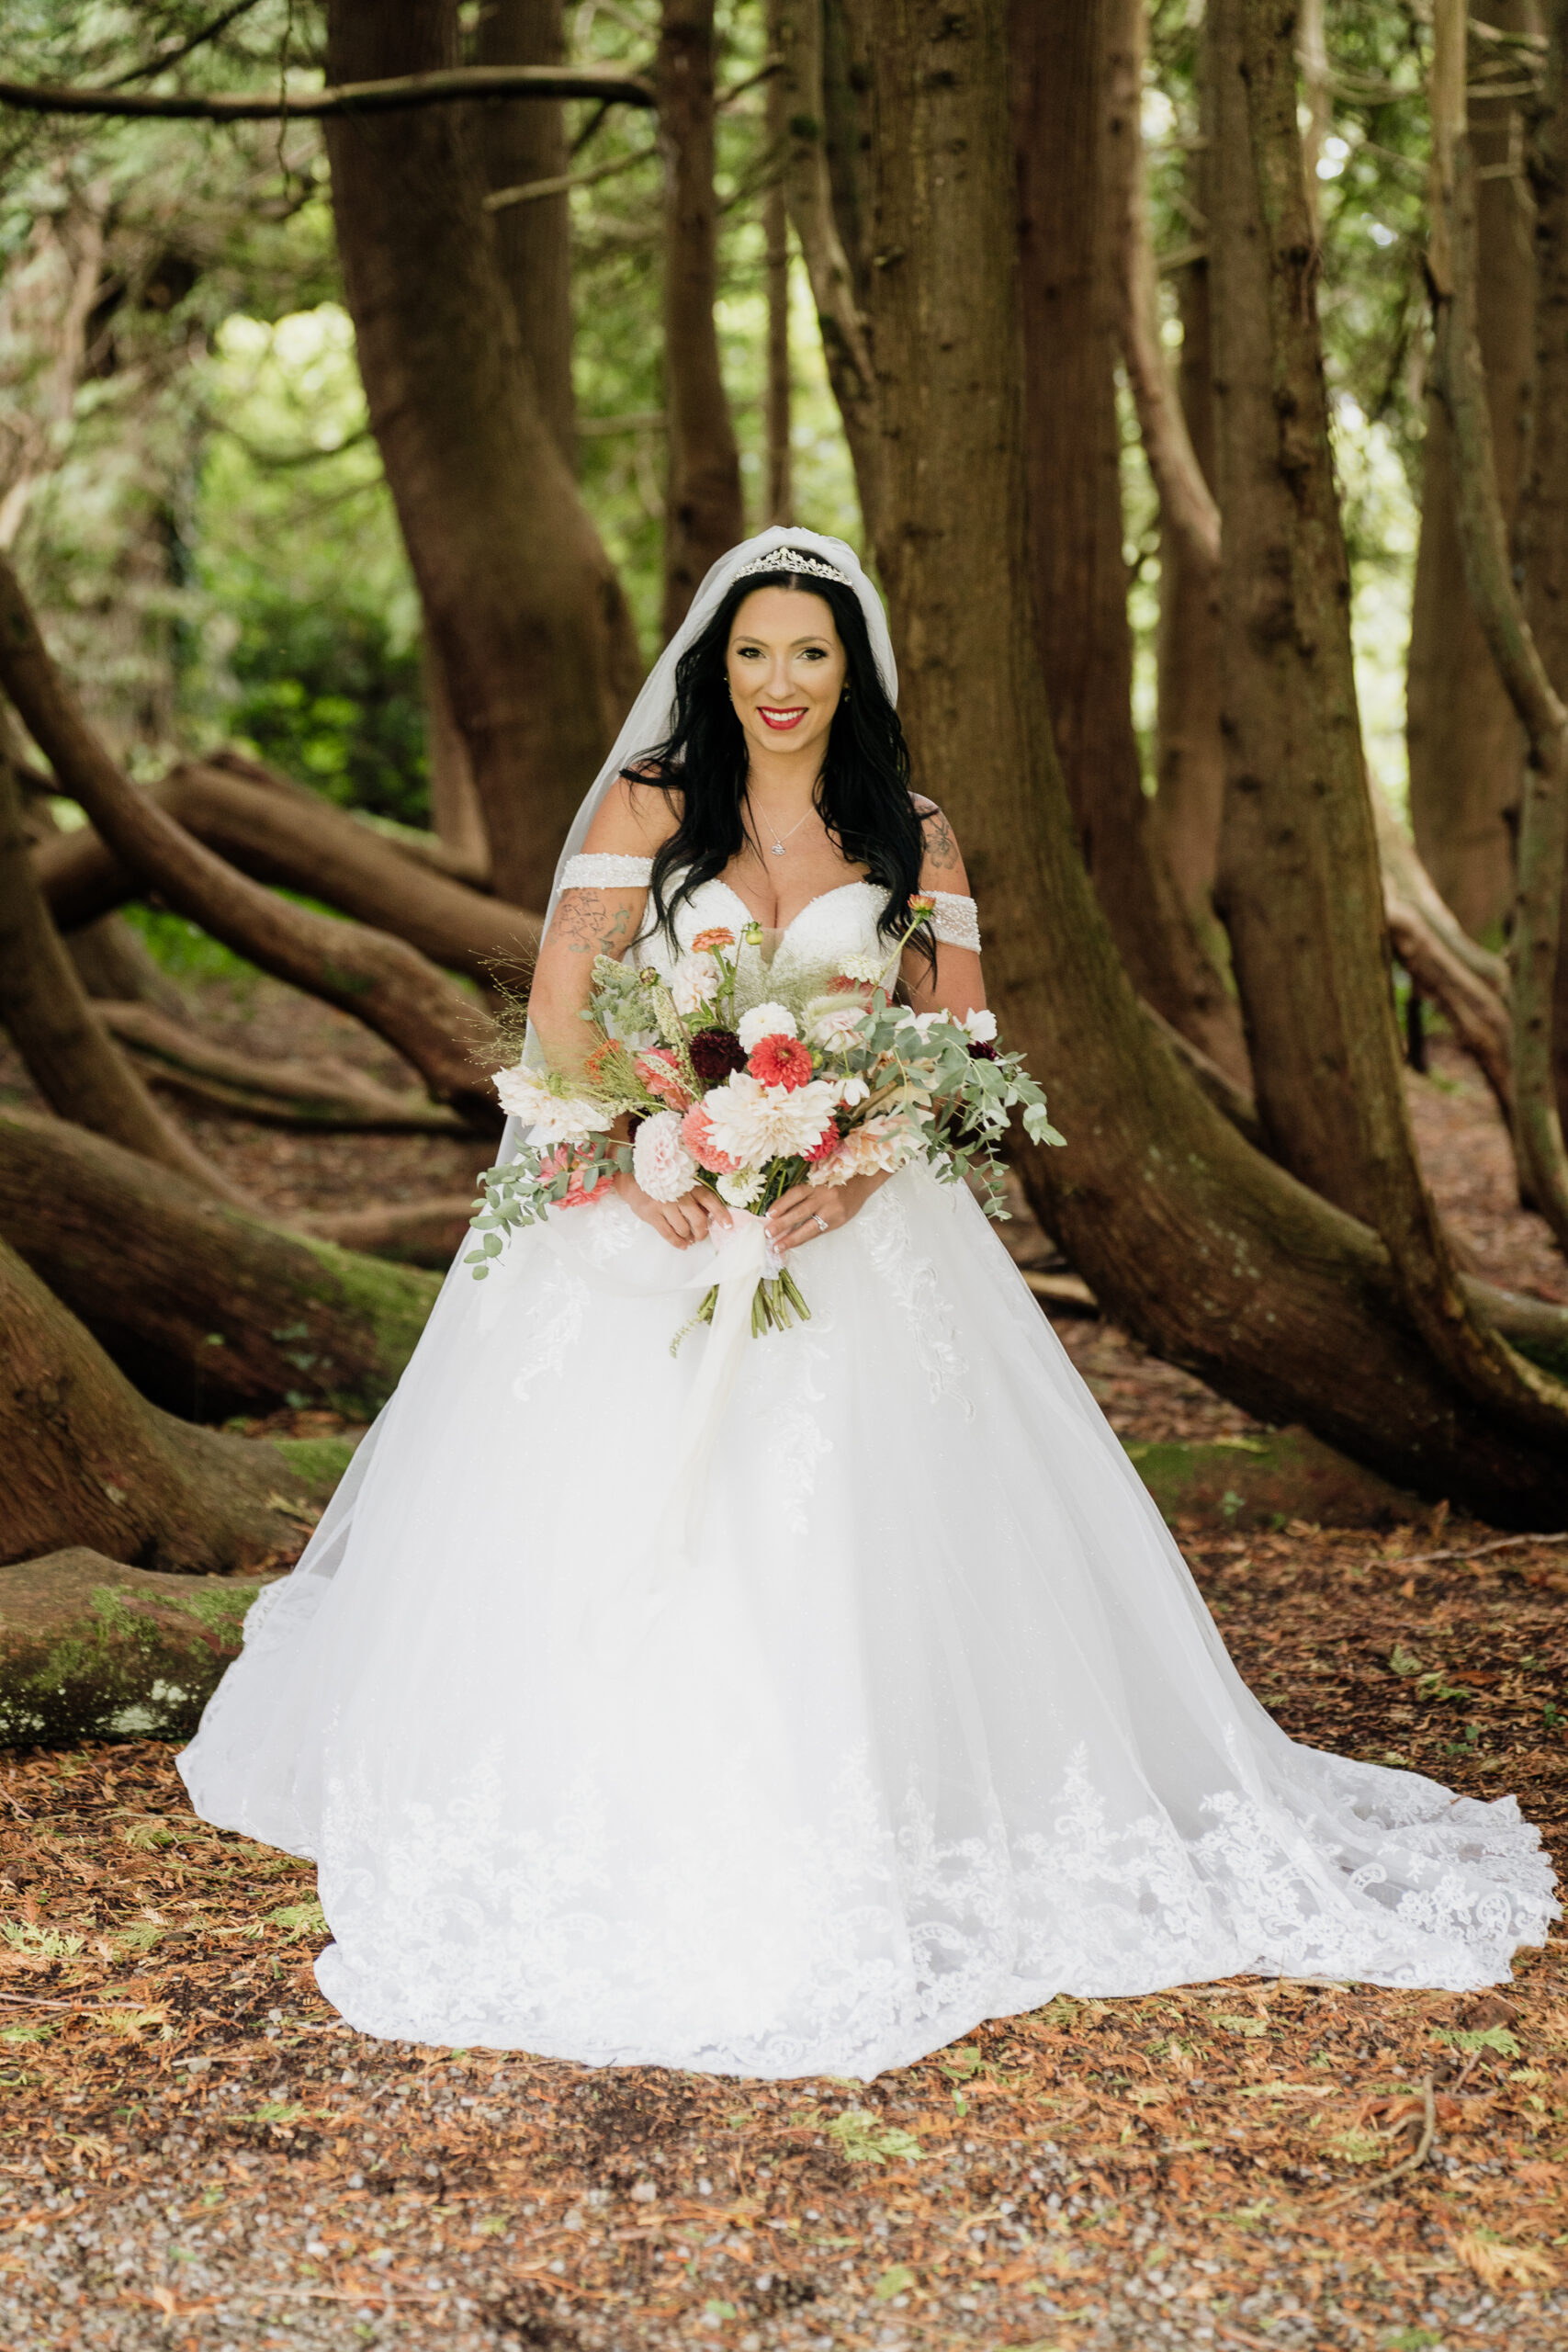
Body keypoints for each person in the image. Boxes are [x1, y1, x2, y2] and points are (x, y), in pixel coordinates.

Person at [179, 528, 1556, 2082]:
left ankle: (882, 1805)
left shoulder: (915, 831)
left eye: (811, 654)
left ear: (854, 671)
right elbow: (568, 1008)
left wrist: (856, 1162)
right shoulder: (651, 804)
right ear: (718, 664)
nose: (780, 683)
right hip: (658, 1212)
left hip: (853, 1226)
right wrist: (645, 1161)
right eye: (754, 653)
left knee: (859, 1522)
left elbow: (960, 1047)